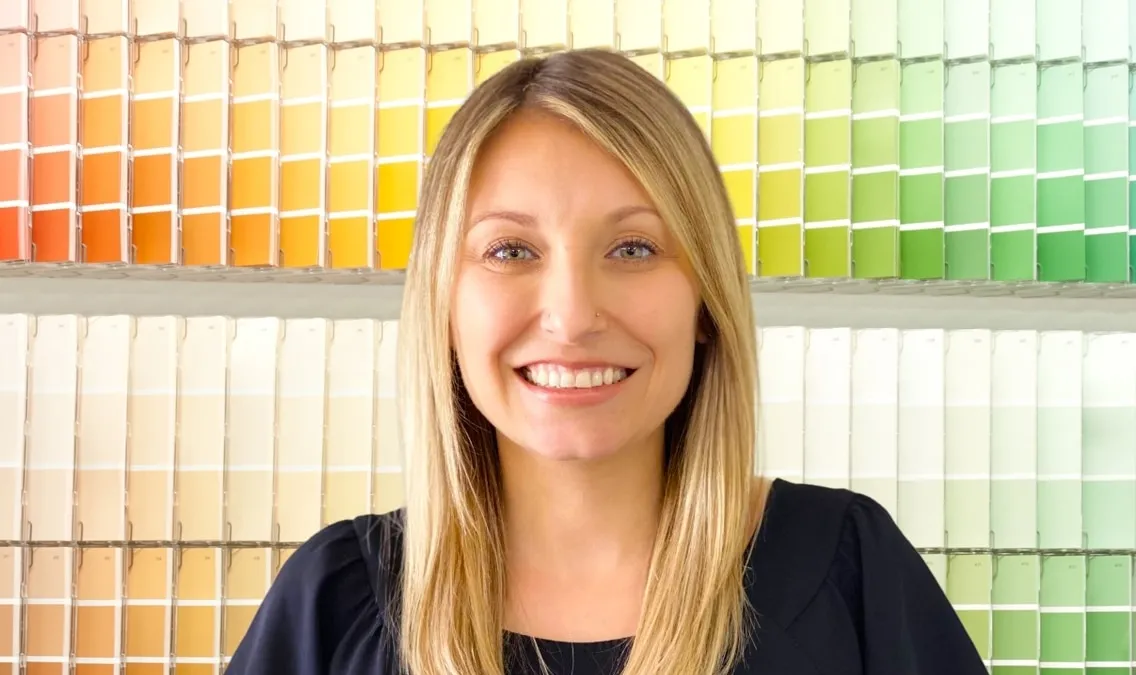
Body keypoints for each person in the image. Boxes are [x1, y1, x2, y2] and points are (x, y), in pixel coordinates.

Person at [226, 49, 987, 675]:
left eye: (633, 247)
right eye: (510, 250)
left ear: (705, 302)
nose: (573, 315)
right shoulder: (333, 606)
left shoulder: (848, 574)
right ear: (443, 305)